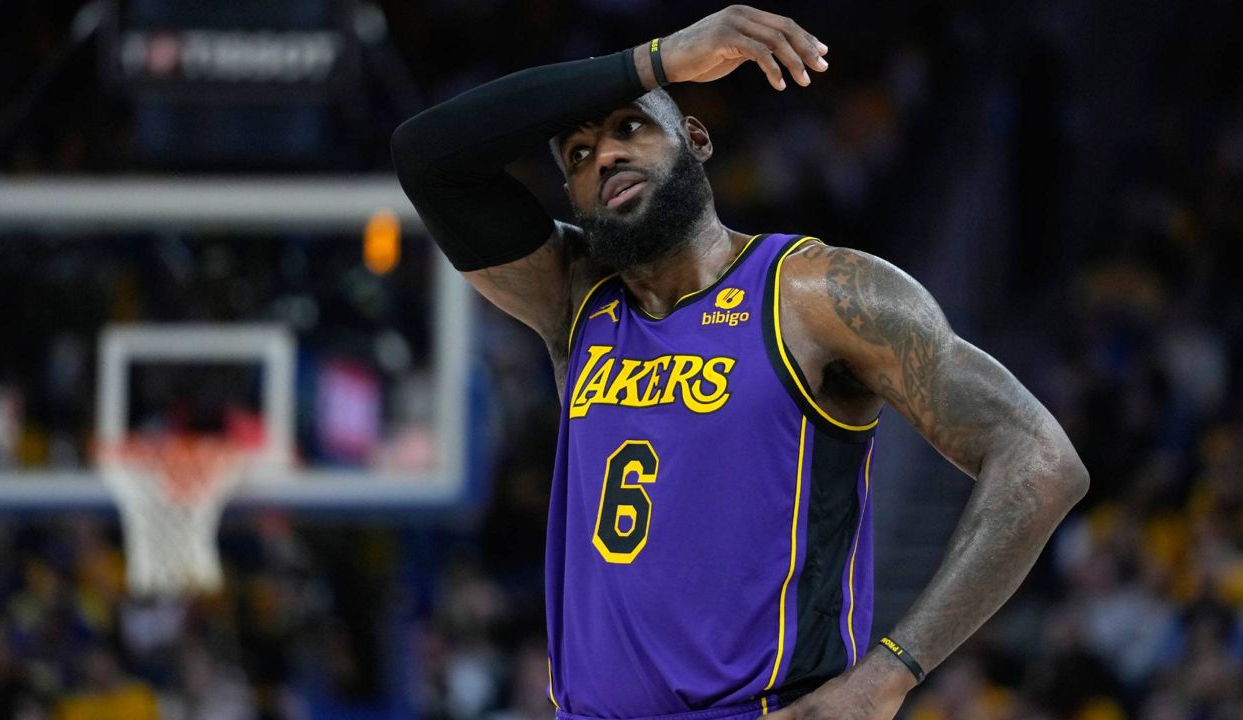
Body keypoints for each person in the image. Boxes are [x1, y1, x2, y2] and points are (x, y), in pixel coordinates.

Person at [391, 6, 1089, 719]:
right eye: (576, 155)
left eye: (631, 127)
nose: (603, 157)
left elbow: (1040, 458)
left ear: (694, 139)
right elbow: (426, 155)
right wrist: (656, 61)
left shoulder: (813, 293)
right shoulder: (575, 302)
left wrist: (892, 671)